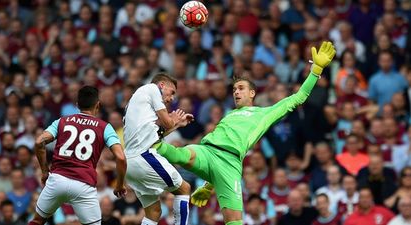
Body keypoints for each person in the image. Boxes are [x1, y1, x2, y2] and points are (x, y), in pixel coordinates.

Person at [153, 41, 336, 225]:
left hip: (230, 165)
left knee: (234, 222)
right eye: (234, 89)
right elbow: (216, 156)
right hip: (207, 152)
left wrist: (316, 71)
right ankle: (150, 145)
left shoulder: (264, 114)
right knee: (181, 153)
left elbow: (298, 98)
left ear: (253, 93)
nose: (236, 92)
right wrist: (209, 184)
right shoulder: (228, 115)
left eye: (241, 88)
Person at [27, 86, 127, 225]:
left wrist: (45, 172)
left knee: (37, 221)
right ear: (97, 105)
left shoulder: (61, 121)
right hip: (84, 185)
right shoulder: (105, 127)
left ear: (77, 105)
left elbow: (39, 142)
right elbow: (121, 157)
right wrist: (119, 185)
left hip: (57, 180)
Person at [123, 73, 192, 225]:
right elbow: (167, 123)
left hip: (130, 163)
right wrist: (173, 119)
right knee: (184, 189)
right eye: (171, 92)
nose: (172, 98)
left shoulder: (138, 107)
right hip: (144, 156)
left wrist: (178, 124)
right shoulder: (152, 89)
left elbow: (157, 135)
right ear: (161, 85)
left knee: (153, 212)